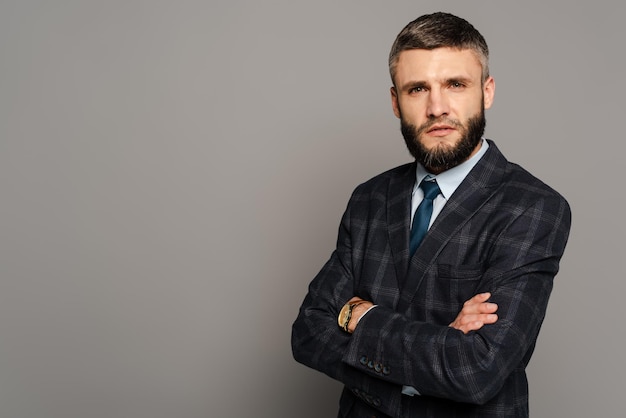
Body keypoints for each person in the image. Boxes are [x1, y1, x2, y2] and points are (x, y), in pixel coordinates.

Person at [291, 12, 571, 418]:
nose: (437, 107)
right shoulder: (369, 199)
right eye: (417, 88)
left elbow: (476, 369)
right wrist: (437, 346)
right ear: (395, 101)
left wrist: (359, 314)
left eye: (455, 85)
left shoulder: (533, 207)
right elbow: (309, 333)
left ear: (486, 91)